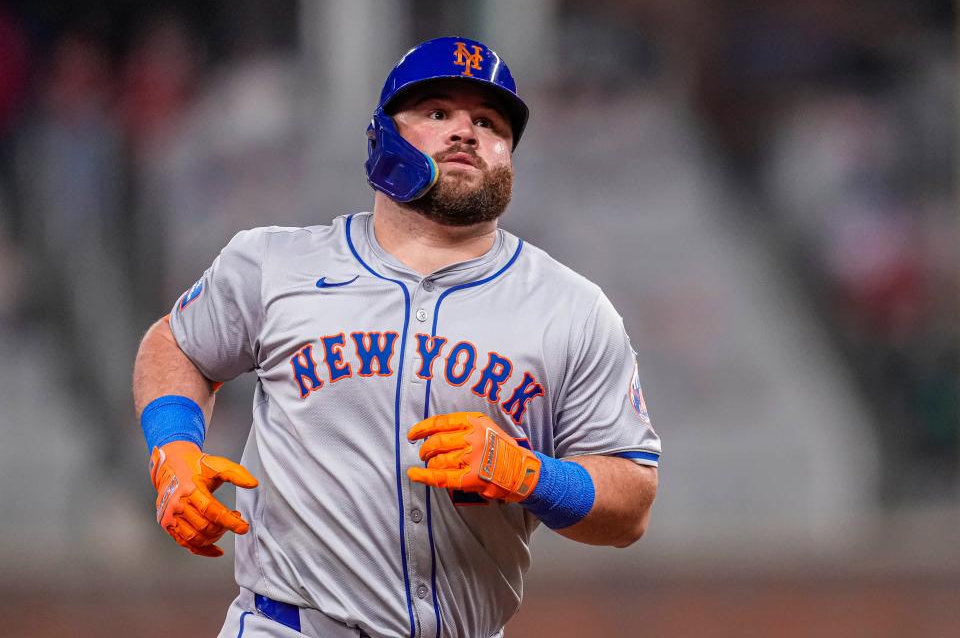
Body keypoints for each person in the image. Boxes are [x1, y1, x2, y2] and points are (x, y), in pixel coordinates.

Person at [132, 36, 660, 638]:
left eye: (488, 122)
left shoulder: (573, 310)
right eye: (437, 113)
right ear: (381, 137)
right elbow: (175, 344)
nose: (465, 132)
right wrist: (173, 448)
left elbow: (631, 504)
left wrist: (532, 475)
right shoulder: (274, 263)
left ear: (509, 154)